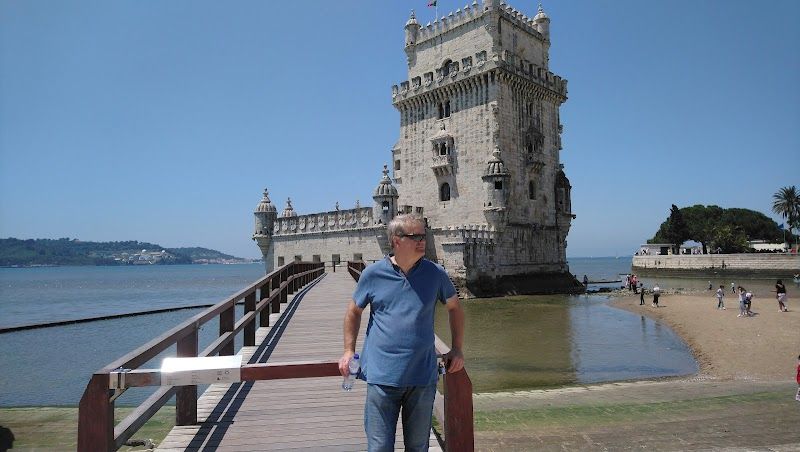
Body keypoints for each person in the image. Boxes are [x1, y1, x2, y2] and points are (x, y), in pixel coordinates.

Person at [340, 214, 465, 452]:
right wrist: (348, 351)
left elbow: (455, 308)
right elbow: (353, 311)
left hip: (422, 378)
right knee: (379, 447)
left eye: (424, 235)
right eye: (416, 236)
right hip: (381, 377)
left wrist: (457, 348)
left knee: (418, 448)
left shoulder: (435, 273)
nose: (423, 241)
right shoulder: (373, 274)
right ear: (396, 240)